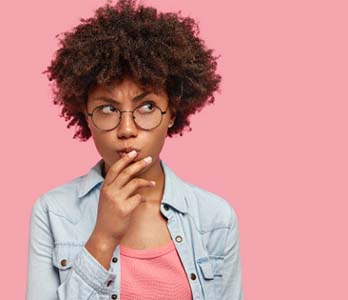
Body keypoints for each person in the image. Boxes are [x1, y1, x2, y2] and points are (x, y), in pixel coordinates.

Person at [26, 0, 243, 299]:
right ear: (85, 117)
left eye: (147, 106)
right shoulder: (52, 213)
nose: (126, 129)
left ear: (172, 114)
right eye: (107, 109)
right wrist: (102, 239)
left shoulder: (216, 219)